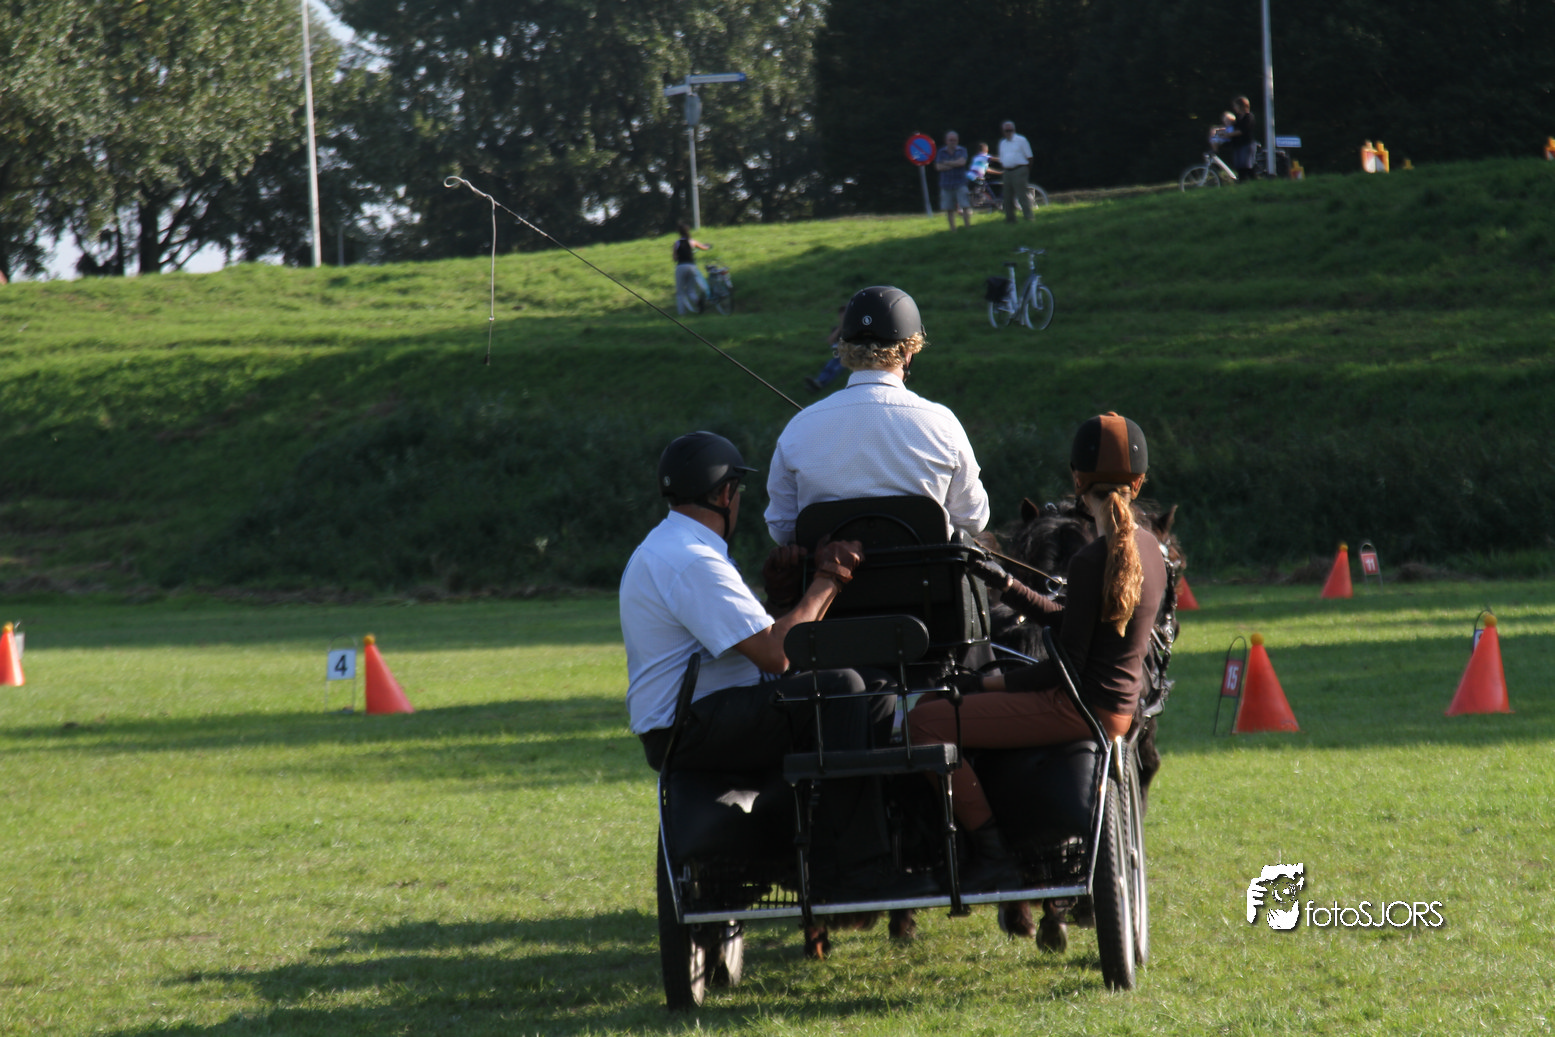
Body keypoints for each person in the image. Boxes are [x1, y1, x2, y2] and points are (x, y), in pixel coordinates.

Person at [624, 431, 934, 899]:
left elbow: (753, 643)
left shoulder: (673, 546)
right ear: (726, 493)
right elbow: (778, 654)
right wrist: (830, 577)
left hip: (697, 717)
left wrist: (783, 596)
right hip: (691, 725)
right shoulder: (692, 560)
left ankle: (827, 840)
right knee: (843, 688)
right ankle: (855, 870)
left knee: (873, 691)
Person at [906, 413, 1168, 892]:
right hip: (1118, 708)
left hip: (1077, 708)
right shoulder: (1150, 551)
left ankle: (992, 853)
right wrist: (1006, 583)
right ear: (1139, 481)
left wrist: (984, 683)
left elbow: (1061, 670)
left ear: (1077, 479)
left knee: (924, 723)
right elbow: (1076, 621)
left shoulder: (1091, 560)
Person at [765, 285, 991, 547]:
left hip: (829, 574)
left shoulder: (799, 427)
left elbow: (782, 529)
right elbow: (973, 519)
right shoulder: (943, 424)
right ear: (908, 351)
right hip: (926, 574)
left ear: (845, 348)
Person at [804, 305, 848, 393]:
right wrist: (840, 328)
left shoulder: (853, 328)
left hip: (848, 354)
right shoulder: (837, 329)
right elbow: (830, 341)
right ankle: (818, 382)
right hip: (839, 353)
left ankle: (820, 383)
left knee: (837, 367)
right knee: (830, 365)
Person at [997, 121, 1035, 222]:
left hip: (1019, 169)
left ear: (1014, 130)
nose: (1009, 132)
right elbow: (1002, 158)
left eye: (1010, 130)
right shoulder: (1002, 143)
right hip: (1007, 171)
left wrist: (1025, 171)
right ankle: (1010, 220)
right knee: (1007, 197)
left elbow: (1030, 157)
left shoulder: (1021, 140)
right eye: (1006, 131)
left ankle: (1029, 217)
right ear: (1003, 131)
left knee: (1022, 195)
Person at [935, 130, 971, 231]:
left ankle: (967, 227)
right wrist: (955, 163)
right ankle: (952, 229)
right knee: (949, 208)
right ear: (946, 141)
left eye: (954, 140)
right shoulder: (941, 152)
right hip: (946, 184)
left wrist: (946, 163)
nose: (952, 142)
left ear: (957, 140)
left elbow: (962, 163)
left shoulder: (962, 150)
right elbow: (938, 167)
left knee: (965, 205)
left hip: (960, 183)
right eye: (950, 140)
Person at [672, 223, 710, 314]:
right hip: (692, 267)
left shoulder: (677, 243)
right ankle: (698, 302)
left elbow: (674, 258)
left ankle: (682, 313)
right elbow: (704, 248)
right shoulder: (692, 241)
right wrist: (708, 246)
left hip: (681, 266)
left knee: (680, 292)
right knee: (691, 290)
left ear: (679, 232)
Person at [1230, 96, 1257, 180]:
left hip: (1246, 144)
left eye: (1236, 106)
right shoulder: (1238, 117)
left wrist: (1228, 135)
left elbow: (1243, 130)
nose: (1234, 108)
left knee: (1246, 165)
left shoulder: (1249, 117)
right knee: (1239, 165)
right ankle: (1242, 181)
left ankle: (1252, 180)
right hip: (1238, 144)